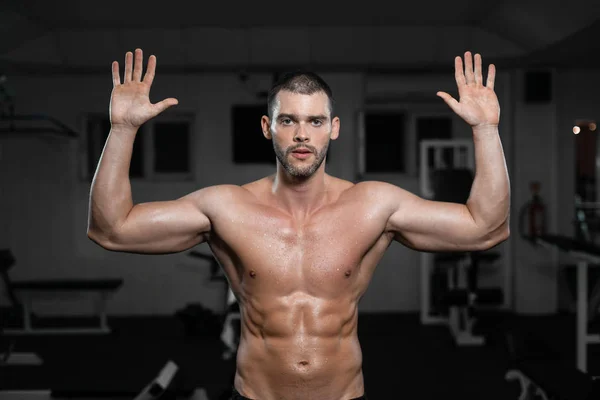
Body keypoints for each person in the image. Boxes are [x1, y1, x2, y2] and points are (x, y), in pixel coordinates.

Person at [87, 48, 510, 400]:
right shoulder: (226, 207)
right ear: (268, 128)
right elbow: (112, 228)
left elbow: (486, 226)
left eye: (315, 121)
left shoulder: (372, 205)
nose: (302, 135)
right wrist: (122, 129)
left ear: (334, 129)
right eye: (288, 121)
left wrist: (487, 130)